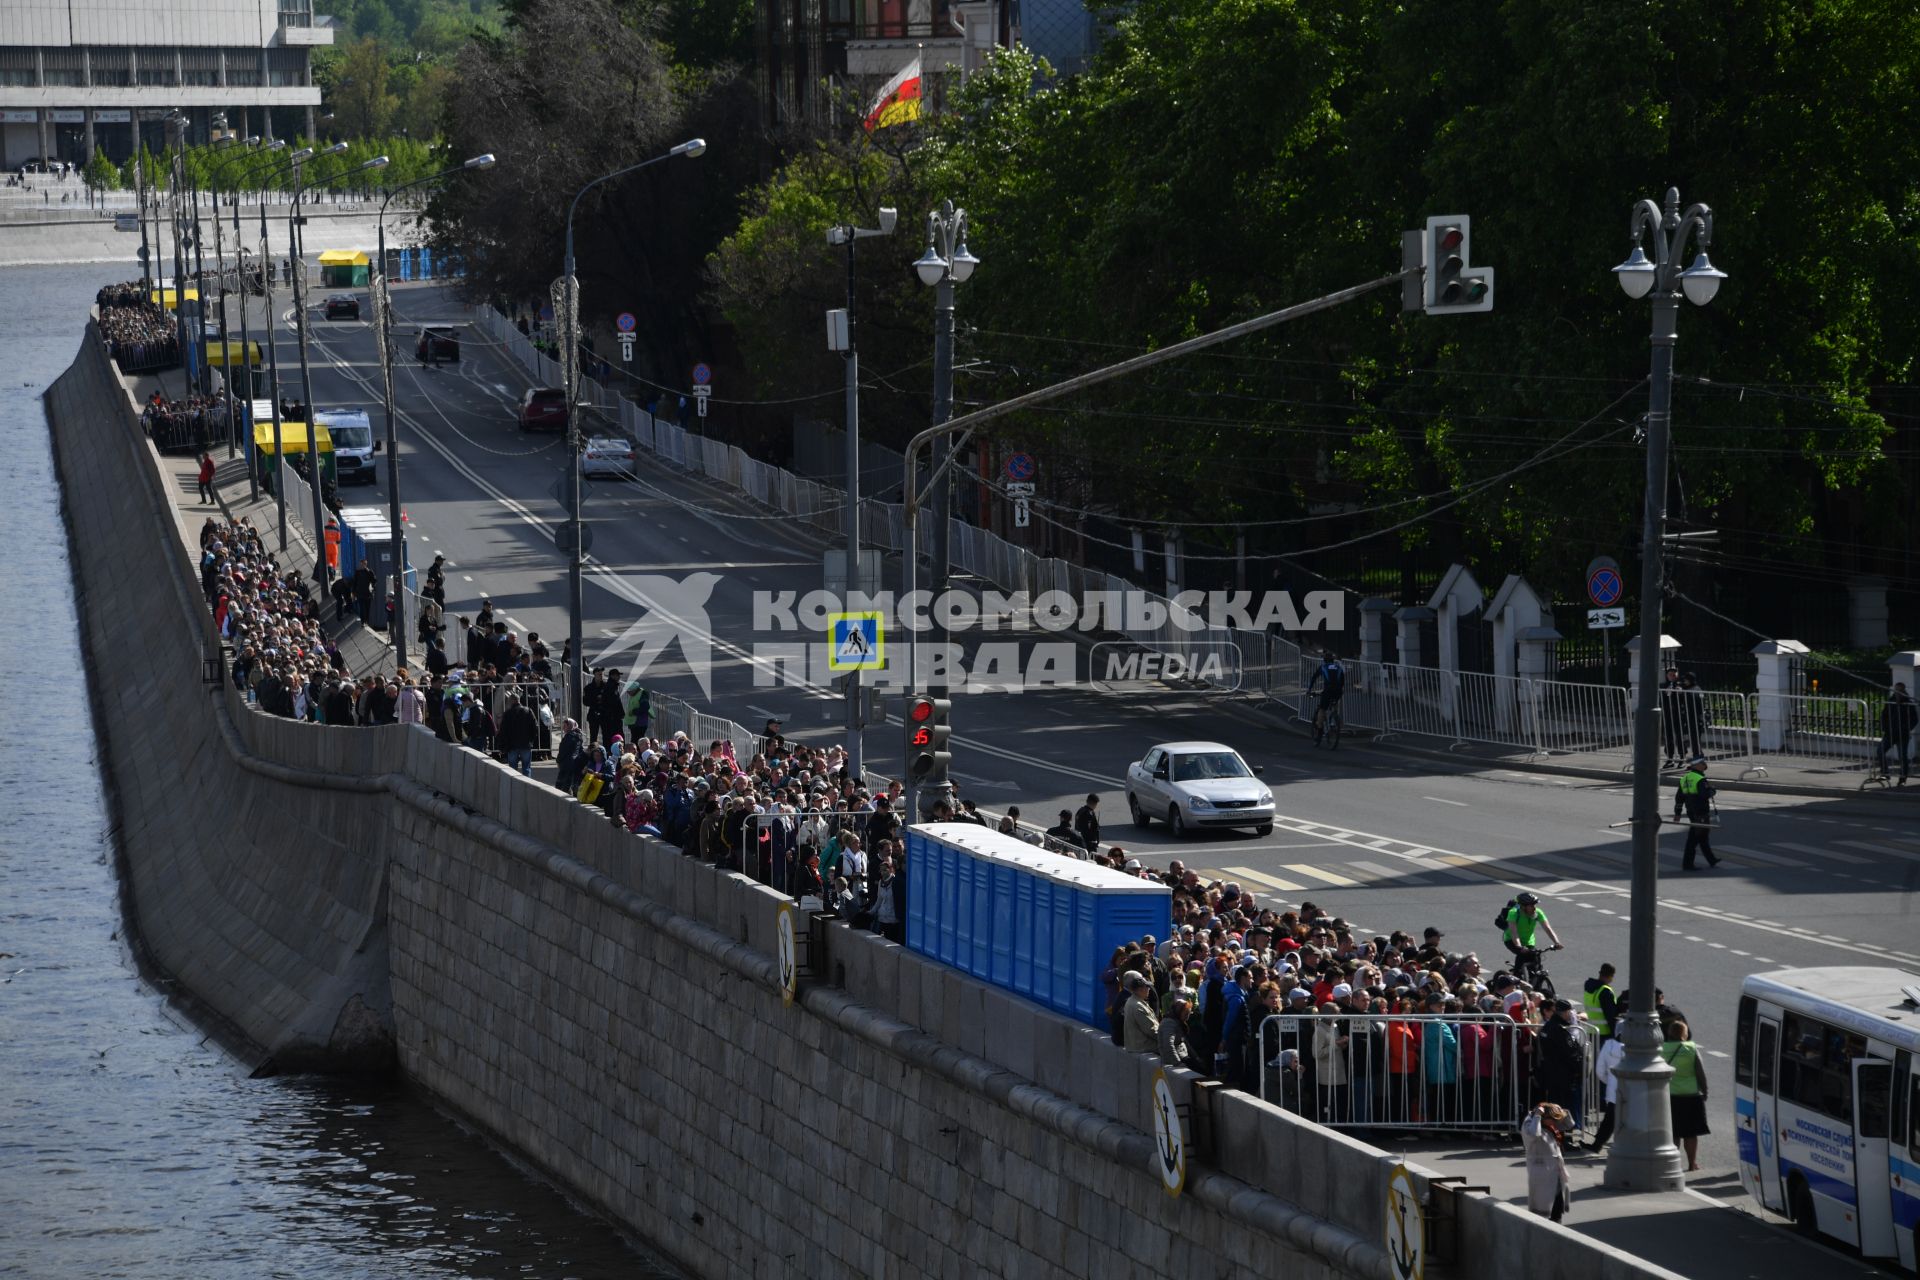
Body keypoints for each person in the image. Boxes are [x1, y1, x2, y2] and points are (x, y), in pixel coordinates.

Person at [1661, 1018, 1710, 1171]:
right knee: (1690, 1133)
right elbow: (1700, 1072)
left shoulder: (1662, 1048)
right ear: (1684, 1034)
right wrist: (1705, 1090)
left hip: (1670, 1095)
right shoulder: (1691, 1048)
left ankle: (1673, 1163)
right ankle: (1692, 1163)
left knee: (1673, 1133)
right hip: (1691, 1095)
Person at [1522, 1102, 1573, 1222]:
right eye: (1553, 1119)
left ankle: (1557, 1225)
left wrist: (1563, 1111)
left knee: (1558, 1204)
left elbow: (1569, 1124)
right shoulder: (1529, 1124)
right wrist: (1538, 1115)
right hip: (1541, 1170)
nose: (1555, 1123)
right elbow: (1534, 1134)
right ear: (1544, 1117)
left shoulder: (1549, 1124)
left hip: (1555, 1169)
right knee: (1542, 1207)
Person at [1673, 756, 1719, 870]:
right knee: (1694, 838)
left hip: (1691, 811)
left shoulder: (1684, 778)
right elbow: (1704, 795)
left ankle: (1711, 860)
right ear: (1696, 765)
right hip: (1701, 812)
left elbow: (1679, 798)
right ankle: (1687, 864)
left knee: (1702, 835)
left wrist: (1677, 814)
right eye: (1702, 763)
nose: (1704, 764)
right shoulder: (1699, 779)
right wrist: (1712, 791)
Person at [1586, 1026, 1625, 1153]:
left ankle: (1598, 1144)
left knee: (1610, 1120)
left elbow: (1600, 1070)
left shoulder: (1609, 1045)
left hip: (1613, 1090)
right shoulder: (1637, 1047)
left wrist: (1610, 1082)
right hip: (1632, 1090)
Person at [1501, 892, 1563, 959]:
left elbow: (1547, 928)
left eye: (1534, 905)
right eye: (1531, 905)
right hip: (1511, 940)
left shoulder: (1538, 912)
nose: (1534, 908)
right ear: (1523, 906)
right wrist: (1519, 947)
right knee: (1522, 955)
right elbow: (1514, 933)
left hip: (1528, 941)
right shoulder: (1513, 913)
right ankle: (1517, 969)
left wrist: (1557, 942)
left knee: (1536, 958)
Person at [1879, 682, 1917, 783]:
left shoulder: (1908, 703)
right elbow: (1884, 715)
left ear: (1903, 691)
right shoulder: (1891, 701)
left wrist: (1906, 728)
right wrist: (1885, 727)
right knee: (1880, 751)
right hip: (1890, 733)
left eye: (1899, 691)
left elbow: (1914, 719)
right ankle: (1885, 773)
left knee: (1902, 756)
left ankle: (1903, 777)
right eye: (1896, 690)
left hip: (1902, 734)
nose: (1897, 693)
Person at [1308, 649, 1346, 738]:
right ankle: (1334, 721)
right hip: (1338, 691)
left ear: (1324, 660)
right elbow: (1342, 681)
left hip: (1328, 691)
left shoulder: (1323, 667)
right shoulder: (1338, 667)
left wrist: (1309, 690)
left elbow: (1314, 678)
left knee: (1322, 709)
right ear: (1333, 660)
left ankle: (1320, 729)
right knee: (1334, 703)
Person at [1122, 971, 1161, 1053]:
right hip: (1145, 1048)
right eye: (1147, 987)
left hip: (1138, 1046)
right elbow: (1152, 1031)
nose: (1149, 989)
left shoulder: (1132, 1001)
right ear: (1140, 989)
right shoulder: (1137, 1006)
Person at [1582, 962, 1619, 1039]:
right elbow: (1610, 1016)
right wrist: (1615, 1034)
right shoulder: (1605, 991)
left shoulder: (1589, 987)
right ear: (1611, 976)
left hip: (1591, 1031)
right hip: (1605, 1034)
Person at [1158, 996, 1195, 1070]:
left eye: (1189, 1013)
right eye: (1186, 1014)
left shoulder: (1177, 1021)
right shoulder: (1169, 1023)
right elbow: (1168, 1044)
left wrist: (1196, 1057)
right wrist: (1178, 1063)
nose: (1188, 1017)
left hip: (1182, 1055)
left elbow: (1184, 1042)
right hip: (1176, 1059)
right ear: (1179, 1012)